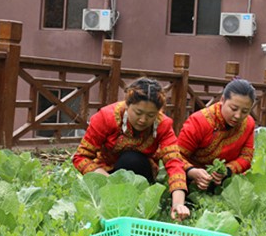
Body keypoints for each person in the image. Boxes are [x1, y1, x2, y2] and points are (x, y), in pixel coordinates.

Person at [72, 77, 190, 220]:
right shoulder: (106, 117)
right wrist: (110, 181)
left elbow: (174, 162)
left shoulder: (163, 124)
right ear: (127, 105)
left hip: (141, 174)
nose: (143, 120)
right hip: (106, 173)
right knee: (127, 160)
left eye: (151, 115)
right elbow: (80, 157)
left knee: (132, 159)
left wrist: (178, 204)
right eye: (138, 113)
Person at [177, 78, 256, 191]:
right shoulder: (199, 122)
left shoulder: (248, 123)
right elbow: (176, 156)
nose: (238, 116)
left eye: (245, 111)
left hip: (225, 181)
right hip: (190, 178)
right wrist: (192, 172)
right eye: (234, 108)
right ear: (222, 100)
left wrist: (227, 171)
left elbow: (246, 157)